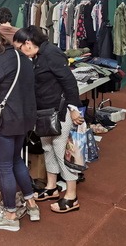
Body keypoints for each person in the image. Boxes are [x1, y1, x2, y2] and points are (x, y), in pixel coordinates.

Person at [13, 25, 84, 214]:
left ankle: (71, 196)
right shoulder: (36, 56)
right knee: (47, 148)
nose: (20, 52)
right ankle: (51, 187)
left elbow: (69, 82)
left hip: (58, 111)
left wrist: (74, 108)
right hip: (44, 112)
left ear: (28, 43)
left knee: (61, 151)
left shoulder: (52, 53)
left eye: (20, 48)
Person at [0, 29, 39, 231]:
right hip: (25, 118)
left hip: (7, 121)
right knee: (16, 160)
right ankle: (31, 204)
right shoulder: (21, 57)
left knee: (4, 166)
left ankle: (10, 214)